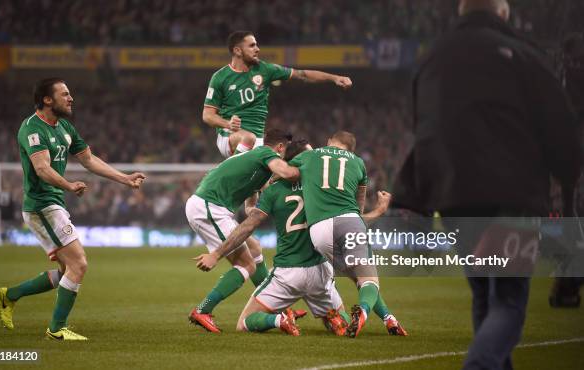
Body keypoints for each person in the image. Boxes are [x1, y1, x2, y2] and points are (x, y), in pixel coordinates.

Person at [393, 0, 581, 368]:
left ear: (462, 12)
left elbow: (423, 129)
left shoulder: (432, 60)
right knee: (508, 302)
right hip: (512, 197)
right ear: (503, 12)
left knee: (483, 295)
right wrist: (568, 185)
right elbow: (562, 134)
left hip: (453, 198)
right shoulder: (525, 54)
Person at [0, 78, 147, 340]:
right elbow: (41, 169)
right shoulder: (31, 128)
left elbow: (88, 159)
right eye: (65, 94)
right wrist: (68, 184)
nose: (71, 98)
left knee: (67, 271)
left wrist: (124, 178)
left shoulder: (64, 127)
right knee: (79, 264)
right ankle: (56, 329)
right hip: (42, 206)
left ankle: (9, 296)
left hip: (54, 204)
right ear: (47, 100)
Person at [196, 140, 358, 336]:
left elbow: (248, 226)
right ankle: (343, 321)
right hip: (320, 271)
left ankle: (279, 319)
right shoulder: (323, 189)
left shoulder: (274, 190)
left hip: (288, 273)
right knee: (335, 317)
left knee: (245, 322)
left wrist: (217, 253)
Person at [289, 131, 407, 338]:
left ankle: (390, 319)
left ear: (329, 142)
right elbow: (359, 207)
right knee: (369, 280)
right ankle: (362, 312)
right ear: (351, 149)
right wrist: (378, 211)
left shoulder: (310, 155)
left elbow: (282, 169)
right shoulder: (359, 163)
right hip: (349, 222)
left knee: (358, 278)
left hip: (318, 231)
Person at [186, 128, 300, 333]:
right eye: (285, 152)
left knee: (254, 250)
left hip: (207, 205)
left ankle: (275, 307)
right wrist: (306, 169)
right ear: (280, 147)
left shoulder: (252, 159)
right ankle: (203, 310)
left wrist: (253, 205)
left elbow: (250, 196)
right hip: (210, 206)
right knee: (247, 265)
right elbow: (287, 172)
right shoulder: (267, 153)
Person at [203, 30, 352, 158]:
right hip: (230, 137)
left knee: (300, 152)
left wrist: (335, 78)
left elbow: (303, 75)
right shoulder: (220, 77)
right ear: (237, 50)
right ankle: (227, 174)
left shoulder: (265, 70)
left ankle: (258, 188)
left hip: (258, 141)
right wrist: (227, 123)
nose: (257, 49)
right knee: (248, 139)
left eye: (257, 45)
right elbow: (208, 116)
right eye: (252, 45)